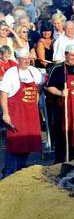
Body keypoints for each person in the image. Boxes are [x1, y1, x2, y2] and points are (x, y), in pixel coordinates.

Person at [0, 48, 43, 178]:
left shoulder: (34, 71)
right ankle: (8, 175)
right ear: (17, 60)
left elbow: (40, 84)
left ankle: (21, 172)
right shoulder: (11, 73)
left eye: (28, 59)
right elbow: (3, 94)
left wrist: (35, 100)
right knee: (14, 144)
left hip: (30, 114)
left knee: (27, 143)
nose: (26, 61)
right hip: (16, 114)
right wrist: (5, 114)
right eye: (23, 59)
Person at [46, 44, 74, 163]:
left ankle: (73, 165)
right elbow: (49, 87)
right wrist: (61, 93)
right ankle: (59, 166)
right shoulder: (58, 69)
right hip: (63, 111)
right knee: (62, 140)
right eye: (71, 55)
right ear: (66, 55)